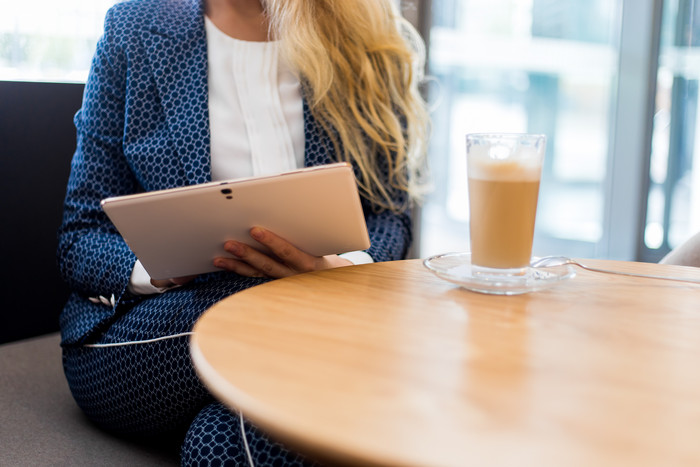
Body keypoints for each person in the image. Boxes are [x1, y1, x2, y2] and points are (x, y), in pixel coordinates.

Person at [57, 0, 429, 464]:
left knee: (224, 445)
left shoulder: (362, 38)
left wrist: (340, 271)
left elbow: (390, 215)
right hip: (150, 337)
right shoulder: (136, 28)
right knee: (259, 299)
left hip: (316, 326)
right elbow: (80, 238)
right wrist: (159, 266)